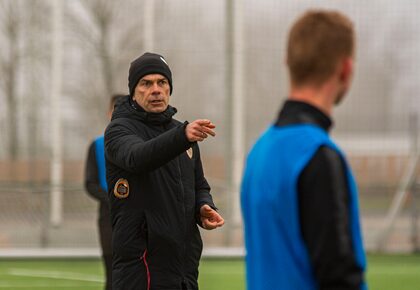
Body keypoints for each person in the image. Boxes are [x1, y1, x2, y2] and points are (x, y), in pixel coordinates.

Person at [241, 10, 367, 290]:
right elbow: (339, 278)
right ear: (346, 69)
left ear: (289, 63)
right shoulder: (318, 156)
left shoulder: (258, 152)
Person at [104, 52, 224, 290]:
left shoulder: (182, 132)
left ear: (170, 88)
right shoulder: (119, 130)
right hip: (142, 268)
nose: (156, 89)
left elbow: (199, 185)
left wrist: (203, 207)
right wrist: (182, 137)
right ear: (133, 91)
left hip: (183, 265)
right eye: (146, 84)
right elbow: (137, 157)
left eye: (162, 82)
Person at [84, 93, 125, 290]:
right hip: (108, 218)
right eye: (115, 110)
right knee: (112, 275)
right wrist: (114, 198)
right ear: (109, 112)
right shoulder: (97, 145)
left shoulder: (142, 145)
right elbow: (90, 183)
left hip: (138, 218)